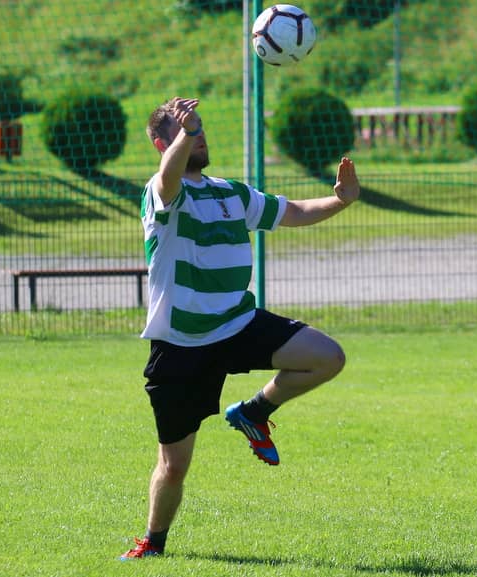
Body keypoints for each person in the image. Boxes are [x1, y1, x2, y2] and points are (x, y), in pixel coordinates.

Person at [120, 97, 361, 560]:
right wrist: (187, 133)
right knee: (173, 466)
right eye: (184, 131)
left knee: (327, 357)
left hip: (237, 323)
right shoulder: (162, 193)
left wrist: (340, 200)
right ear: (163, 145)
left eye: (199, 128)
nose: (198, 136)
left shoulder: (231, 193)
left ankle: (253, 412)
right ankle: (153, 543)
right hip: (181, 344)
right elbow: (169, 178)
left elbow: (294, 211)